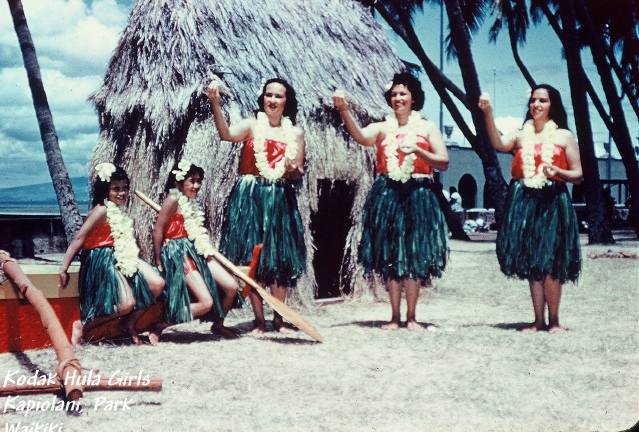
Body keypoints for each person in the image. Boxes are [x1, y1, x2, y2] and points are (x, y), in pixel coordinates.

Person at [333, 72, 449, 330]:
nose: (398, 98)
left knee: (413, 254)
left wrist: (419, 150)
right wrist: (345, 111)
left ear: (413, 98)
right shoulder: (382, 127)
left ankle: (411, 317)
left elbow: (443, 161)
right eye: (394, 94)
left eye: (403, 93)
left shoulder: (427, 127)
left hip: (419, 192)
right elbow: (361, 137)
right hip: (388, 193)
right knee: (392, 254)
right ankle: (395, 316)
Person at [478, 84, 583, 333]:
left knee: (552, 262)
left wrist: (559, 172)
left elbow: (578, 174)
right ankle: (538, 320)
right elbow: (498, 143)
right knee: (533, 262)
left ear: (552, 106)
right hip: (524, 201)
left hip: (553, 201)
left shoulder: (563, 136)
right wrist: (488, 113)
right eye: (533, 100)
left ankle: (554, 321)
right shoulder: (520, 135)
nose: (536, 105)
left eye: (543, 101)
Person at [206, 78, 306, 334]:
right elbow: (226, 135)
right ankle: (260, 321)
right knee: (255, 256)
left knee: (279, 259)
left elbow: (298, 173)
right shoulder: (252, 126)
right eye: (268, 95)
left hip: (280, 199)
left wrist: (294, 169)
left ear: (287, 102)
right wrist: (215, 103)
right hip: (249, 197)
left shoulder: (295, 134)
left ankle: (279, 319)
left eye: (278, 96)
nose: (272, 100)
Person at [59, 163, 165, 345]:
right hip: (101, 258)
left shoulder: (120, 211)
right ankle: (83, 326)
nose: (122, 193)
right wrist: (64, 267)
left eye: (124, 188)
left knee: (157, 283)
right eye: (116, 189)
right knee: (126, 304)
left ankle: (129, 323)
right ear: (105, 190)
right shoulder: (101, 210)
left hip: (120, 255)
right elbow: (79, 238)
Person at [152, 161, 241, 342]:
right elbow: (158, 230)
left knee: (231, 287)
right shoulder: (173, 199)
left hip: (195, 250)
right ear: (178, 184)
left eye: (199, 181)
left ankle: (218, 325)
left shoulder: (191, 202)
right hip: (178, 253)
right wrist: (159, 260)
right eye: (192, 181)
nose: (197, 186)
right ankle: (161, 324)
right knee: (205, 303)